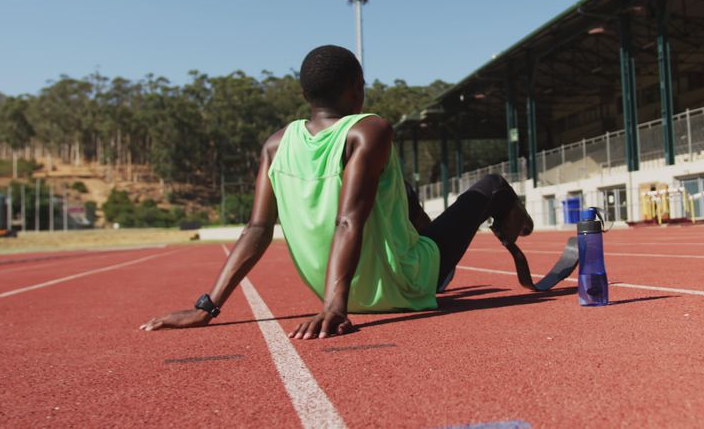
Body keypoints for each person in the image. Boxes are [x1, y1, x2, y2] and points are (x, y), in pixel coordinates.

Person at [140, 45, 532, 339]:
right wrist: (334, 309)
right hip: (402, 285)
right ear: (355, 88)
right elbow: (348, 219)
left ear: (306, 95)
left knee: (399, 188)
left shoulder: (276, 145)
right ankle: (518, 222)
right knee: (493, 186)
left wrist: (207, 307)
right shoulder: (369, 129)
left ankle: (428, 231)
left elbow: (257, 229)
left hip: (337, 291)